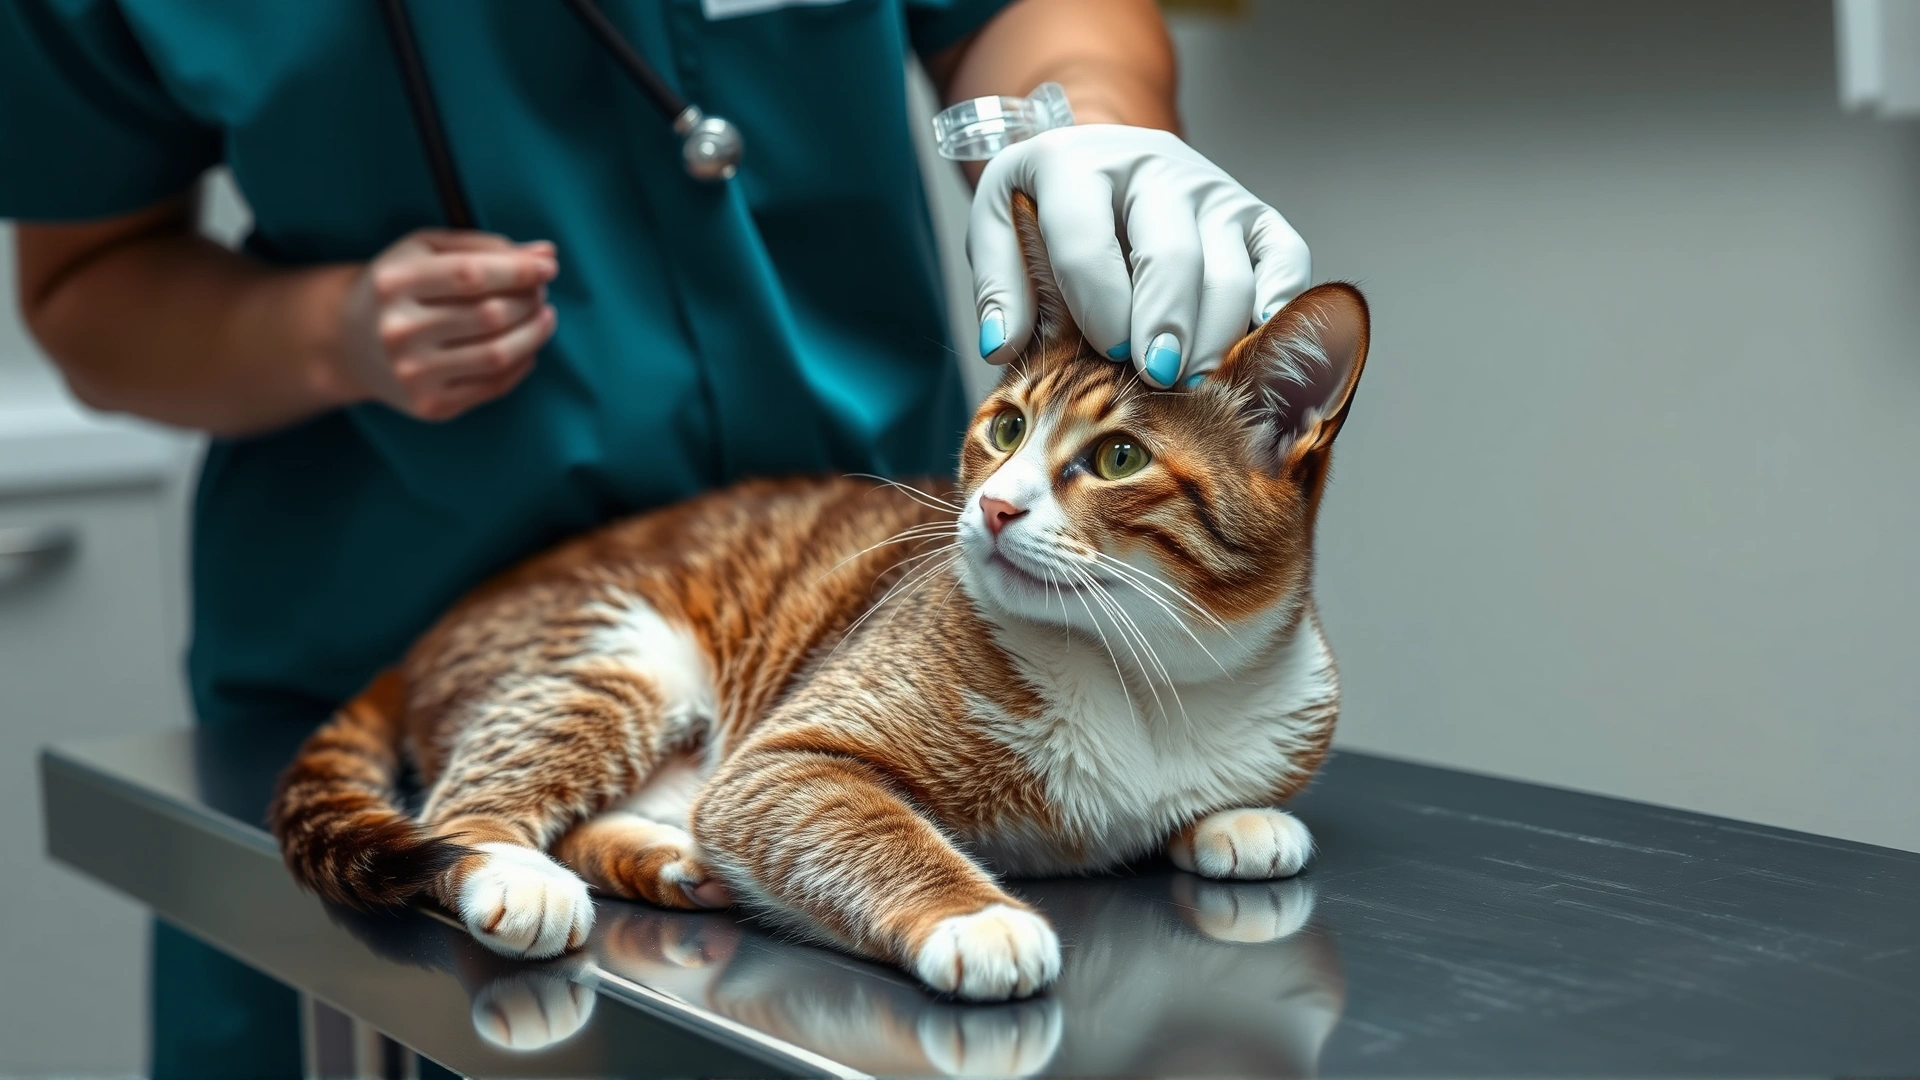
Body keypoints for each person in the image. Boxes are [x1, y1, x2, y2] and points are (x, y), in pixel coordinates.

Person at [1, 0, 1309, 1075]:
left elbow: (1028, 19)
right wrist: (325, 331)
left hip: (872, 623)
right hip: (377, 636)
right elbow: (84, 280)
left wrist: (1082, 139)